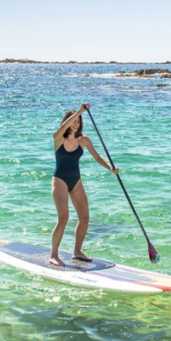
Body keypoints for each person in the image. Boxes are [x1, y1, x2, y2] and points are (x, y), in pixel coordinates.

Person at [51, 103, 119, 266]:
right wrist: (80, 111)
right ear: (67, 122)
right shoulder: (58, 137)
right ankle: (54, 254)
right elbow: (64, 126)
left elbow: (97, 157)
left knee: (85, 217)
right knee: (63, 218)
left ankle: (77, 251)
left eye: (79, 121)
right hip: (60, 180)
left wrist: (110, 168)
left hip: (76, 181)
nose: (76, 124)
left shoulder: (83, 140)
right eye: (73, 121)